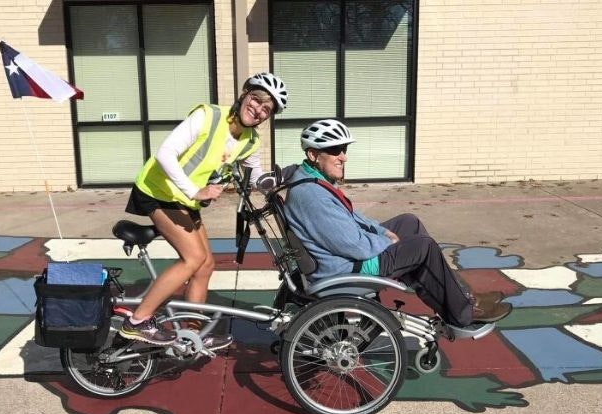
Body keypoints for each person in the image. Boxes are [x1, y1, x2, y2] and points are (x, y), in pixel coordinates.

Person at [282, 119, 511, 328]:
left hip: (343, 256)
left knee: (409, 222)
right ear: (313, 155)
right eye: (334, 150)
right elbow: (356, 246)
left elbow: (354, 219)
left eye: (344, 149)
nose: (344, 157)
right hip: (345, 266)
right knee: (423, 247)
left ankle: (463, 296)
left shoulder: (313, 180)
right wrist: (385, 240)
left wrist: (383, 231)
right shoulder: (312, 196)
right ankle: (463, 312)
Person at [121, 73, 288, 348]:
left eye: (266, 110)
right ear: (245, 93)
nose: (258, 110)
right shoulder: (208, 117)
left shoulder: (250, 140)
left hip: (184, 201)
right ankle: (137, 321)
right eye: (256, 100)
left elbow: (256, 175)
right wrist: (195, 191)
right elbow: (165, 154)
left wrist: (276, 181)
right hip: (157, 192)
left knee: (206, 264)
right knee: (193, 258)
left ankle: (192, 333)